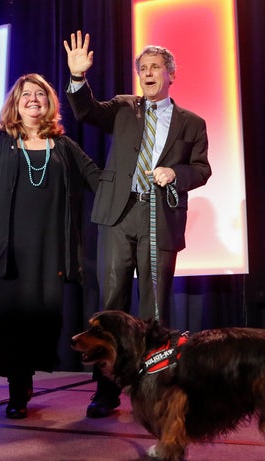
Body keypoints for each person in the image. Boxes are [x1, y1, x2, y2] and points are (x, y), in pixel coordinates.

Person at [64, 31, 212, 417]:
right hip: (117, 215)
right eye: (142, 68)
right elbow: (86, 111)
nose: (147, 73)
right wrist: (78, 79)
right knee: (110, 307)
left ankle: (156, 390)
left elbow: (202, 169)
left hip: (159, 218)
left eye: (155, 67)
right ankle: (106, 393)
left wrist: (174, 172)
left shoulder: (192, 123)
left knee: (154, 310)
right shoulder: (124, 107)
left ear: (171, 74)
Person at [0, 73, 100, 419]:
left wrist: (138, 177)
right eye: (26, 94)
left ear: (50, 102)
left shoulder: (64, 145)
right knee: (10, 320)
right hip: (8, 249)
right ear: (15, 102)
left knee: (42, 318)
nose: (33, 99)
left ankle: (27, 377)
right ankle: (17, 388)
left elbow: (97, 177)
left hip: (49, 250)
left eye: (40, 94)